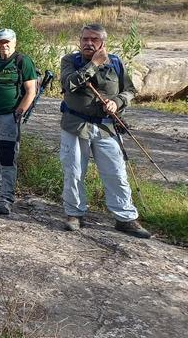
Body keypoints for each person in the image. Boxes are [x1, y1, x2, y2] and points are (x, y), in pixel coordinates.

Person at [59, 24, 150, 238]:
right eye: (85, 39)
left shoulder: (116, 62)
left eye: (94, 39)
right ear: (79, 41)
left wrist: (117, 103)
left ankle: (125, 217)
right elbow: (69, 83)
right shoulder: (70, 61)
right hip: (75, 125)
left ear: (103, 43)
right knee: (73, 171)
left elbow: (129, 90)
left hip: (106, 126)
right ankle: (74, 213)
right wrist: (93, 64)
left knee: (116, 172)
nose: (88, 43)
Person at [0, 28, 37, 216]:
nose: (4, 45)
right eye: (1, 42)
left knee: (8, 157)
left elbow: (31, 91)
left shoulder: (23, 61)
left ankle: (6, 198)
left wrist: (19, 112)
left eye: (7, 42)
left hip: (8, 117)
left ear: (14, 42)